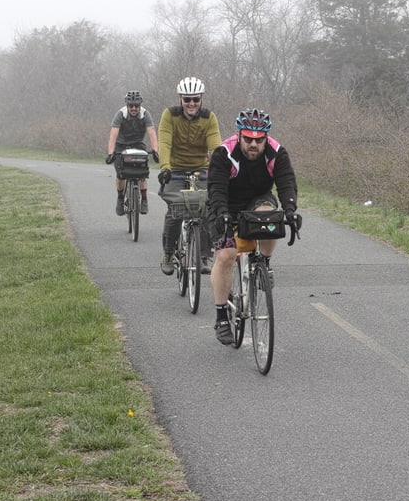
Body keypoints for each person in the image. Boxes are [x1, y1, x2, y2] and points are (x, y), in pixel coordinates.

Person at [206, 108, 298, 344]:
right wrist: (222, 214)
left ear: (266, 137)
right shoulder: (224, 153)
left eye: (259, 140)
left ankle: (263, 264)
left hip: (257, 201)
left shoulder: (277, 152)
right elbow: (216, 189)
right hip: (224, 204)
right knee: (226, 255)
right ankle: (221, 316)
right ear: (239, 135)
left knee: (270, 217)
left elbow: (286, 182)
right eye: (248, 139)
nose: (253, 145)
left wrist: (290, 210)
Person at [156, 77, 222, 275]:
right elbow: (165, 142)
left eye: (195, 99)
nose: (191, 103)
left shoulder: (209, 117)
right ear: (180, 99)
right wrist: (165, 167)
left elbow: (215, 146)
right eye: (187, 99)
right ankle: (168, 253)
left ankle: (202, 256)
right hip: (174, 170)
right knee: (176, 211)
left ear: (201, 98)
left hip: (200, 169)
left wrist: (219, 168)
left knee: (206, 208)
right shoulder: (170, 115)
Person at [105, 90, 160, 216]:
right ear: (127, 105)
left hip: (137, 143)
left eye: (136, 106)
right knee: (120, 174)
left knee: (142, 172)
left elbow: (152, 133)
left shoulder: (145, 114)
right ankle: (120, 198)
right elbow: (113, 135)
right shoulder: (120, 114)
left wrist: (155, 151)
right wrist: (110, 153)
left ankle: (144, 199)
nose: (134, 108)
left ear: (140, 105)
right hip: (121, 144)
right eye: (131, 106)